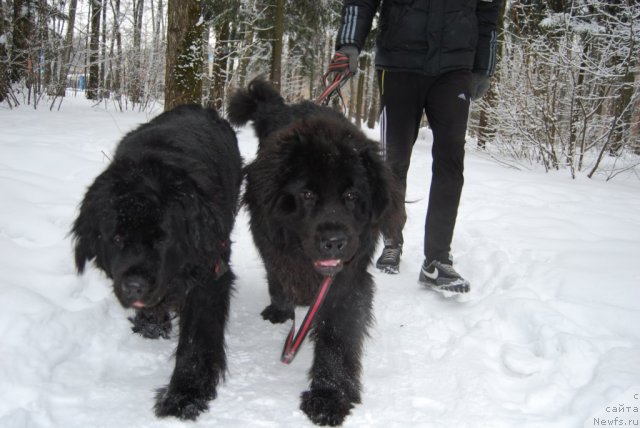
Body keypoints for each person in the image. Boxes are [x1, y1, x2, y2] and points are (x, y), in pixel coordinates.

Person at [328, 0, 504, 293]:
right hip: (399, 64)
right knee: (393, 163)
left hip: (454, 68)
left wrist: (484, 65)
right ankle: (391, 239)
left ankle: (437, 259)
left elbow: (488, 9)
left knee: (451, 164)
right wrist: (349, 42)